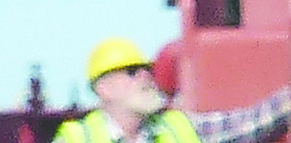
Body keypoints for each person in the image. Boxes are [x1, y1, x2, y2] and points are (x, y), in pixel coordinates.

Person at [54, 41, 199, 143]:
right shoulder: (77, 138)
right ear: (104, 88)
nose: (145, 76)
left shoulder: (177, 125)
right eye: (132, 72)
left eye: (148, 70)